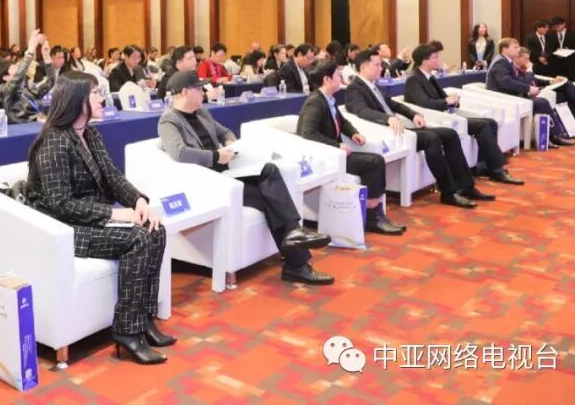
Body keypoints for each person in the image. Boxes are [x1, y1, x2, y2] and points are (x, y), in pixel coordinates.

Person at [25, 71, 172, 364]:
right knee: (138, 238)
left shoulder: (90, 134)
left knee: (156, 229)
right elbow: (60, 204)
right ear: (77, 99)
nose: (102, 99)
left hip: (89, 219)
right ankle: (127, 331)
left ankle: (143, 318)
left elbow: (113, 177)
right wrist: (115, 213)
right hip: (64, 227)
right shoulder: (54, 141)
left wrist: (139, 201)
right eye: (95, 93)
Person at [159, 70, 333, 285]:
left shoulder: (201, 113)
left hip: (228, 173)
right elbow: (180, 153)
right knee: (271, 200)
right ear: (184, 92)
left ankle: (295, 243)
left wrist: (230, 143)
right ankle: (297, 260)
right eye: (198, 88)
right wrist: (215, 155)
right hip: (209, 181)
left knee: (270, 170)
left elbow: (225, 132)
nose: (203, 92)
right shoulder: (169, 120)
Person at [345, 49, 492, 209]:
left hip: (400, 130)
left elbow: (393, 104)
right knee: (431, 138)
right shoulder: (355, 89)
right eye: (377, 65)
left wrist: (413, 114)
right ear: (363, 67)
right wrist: (388, 118)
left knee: (450, 134)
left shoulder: (373, 85)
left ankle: (465, 186)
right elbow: (362, 111)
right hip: (387, 134)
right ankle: (448, 192)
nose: (381, 68)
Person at [296, 61, 406, 236]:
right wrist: (337, 145)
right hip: (327, 158)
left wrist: (353, 133)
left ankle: (374, 212)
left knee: (375, 160)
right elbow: (308, 133)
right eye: (337, 75)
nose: (341, 78)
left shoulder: (328, 99)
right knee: (374, 162)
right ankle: (372, 216)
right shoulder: (314, 103)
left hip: (337, 155)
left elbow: (342, 122)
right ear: (327, 79)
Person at [405, 44, 522, 185]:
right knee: (482, 125)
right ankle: (497, 170)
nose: (439, 59)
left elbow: (442, 97)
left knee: (491, 122)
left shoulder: (429, 77)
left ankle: (484, 165)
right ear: (425, 61)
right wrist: (446, 101)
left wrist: (453, 100)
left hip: (446, 115)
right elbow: (424, 103)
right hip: (435, 120)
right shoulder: (414, 79)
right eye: (435, 57)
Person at [488, 39, 574, 148]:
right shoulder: (500, 62)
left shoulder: (506, 61)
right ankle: (554, 136)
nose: (518, 49)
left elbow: (518, 80)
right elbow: (506, 82)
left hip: (512, 96)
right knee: (541, 102)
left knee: (544, 100)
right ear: (504, 49)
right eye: (515, 47)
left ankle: (553, 135)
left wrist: (528, 89)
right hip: (505, 99)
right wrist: (528, 88)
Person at [517, 47, 575, 135]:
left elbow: (536, 79)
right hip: (533, 94)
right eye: (526, 59)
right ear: (517, 58)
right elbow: (526, 84)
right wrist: (529, 70)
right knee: (567, 90)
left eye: (528, 59)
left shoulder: (525, 68)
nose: (528, 62)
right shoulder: (516, 69)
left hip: (539, 89)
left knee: (566, 88)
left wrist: (551, 81)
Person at [0, 31, 56, 124]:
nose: (17, 68)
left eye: (17, 67)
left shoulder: (25, 90)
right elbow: (19, 76)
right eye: (13, 68)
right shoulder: (4, 91)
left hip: (34, 128)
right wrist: (31, 49)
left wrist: (46, 56)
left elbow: (50, 82)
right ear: (5, 77)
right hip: (18, 130)